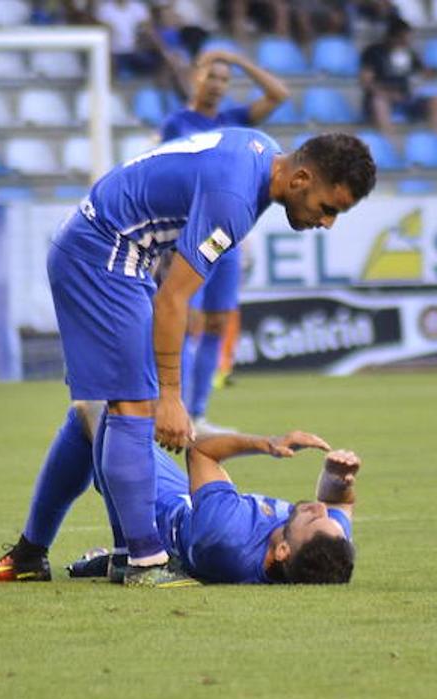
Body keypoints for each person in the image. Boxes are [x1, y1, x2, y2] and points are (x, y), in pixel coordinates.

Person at [0, 129, 376, 586]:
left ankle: (39, 553)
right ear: (302, 178)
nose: (327, 223)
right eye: (329, 208)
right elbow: (172, 300)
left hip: (107, 249)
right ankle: (144, 562)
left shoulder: (259, 154)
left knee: (96, 410)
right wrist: (171, 396)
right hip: (108, 254)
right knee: (135, 408)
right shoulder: (235, 200)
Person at [66, 404, 360, 585]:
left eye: (313, 519)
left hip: (158, 504)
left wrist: (267, 444)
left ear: (283, 552)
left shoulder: (227, 535)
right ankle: (109, 557)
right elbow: (338, 503)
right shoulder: (323, 542)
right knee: (103, 410)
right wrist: (339, 479)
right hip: (192, 500)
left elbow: (200, 451)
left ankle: (123, 552)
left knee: (96, 408)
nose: (318, 509)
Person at [160, 48, 291, 435]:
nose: (217, 84)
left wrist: (240, 60)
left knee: (217, 322)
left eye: (224, 79)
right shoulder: (176, 123)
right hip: (189, 236)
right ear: (196, 77)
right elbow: (171, 175)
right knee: (188, 320)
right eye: (212, 76)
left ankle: (199, 413)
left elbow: (279, 95)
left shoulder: (233, 121)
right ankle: (175, 407)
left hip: (226, 239)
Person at [359, 16, 437, 135]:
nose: (406, 42)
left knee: (436, 101)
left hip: (406, 97)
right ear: (392, 37)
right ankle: (389, 142)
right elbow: (366, 82)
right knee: (379, 103)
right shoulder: (373, 52)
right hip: (383, 96)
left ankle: (434, 140)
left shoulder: (409, 53)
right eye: (403, 38)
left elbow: (424, 72)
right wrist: (388, 94)